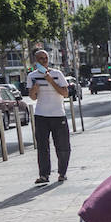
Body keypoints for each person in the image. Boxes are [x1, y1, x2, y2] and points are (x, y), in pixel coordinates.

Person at [26, 49, 71, 184]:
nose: (44, 61)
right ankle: (44, 175)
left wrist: (51, 81)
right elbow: (32, 97)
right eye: (41, 58)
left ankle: (62, 173)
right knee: (42, 147)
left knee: (62, 146)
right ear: (36, 61)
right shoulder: (32, 76)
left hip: (58, 115)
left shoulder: (57, 74)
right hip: (41, 115)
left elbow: (65, 93)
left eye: (45, 58)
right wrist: (34, 90)